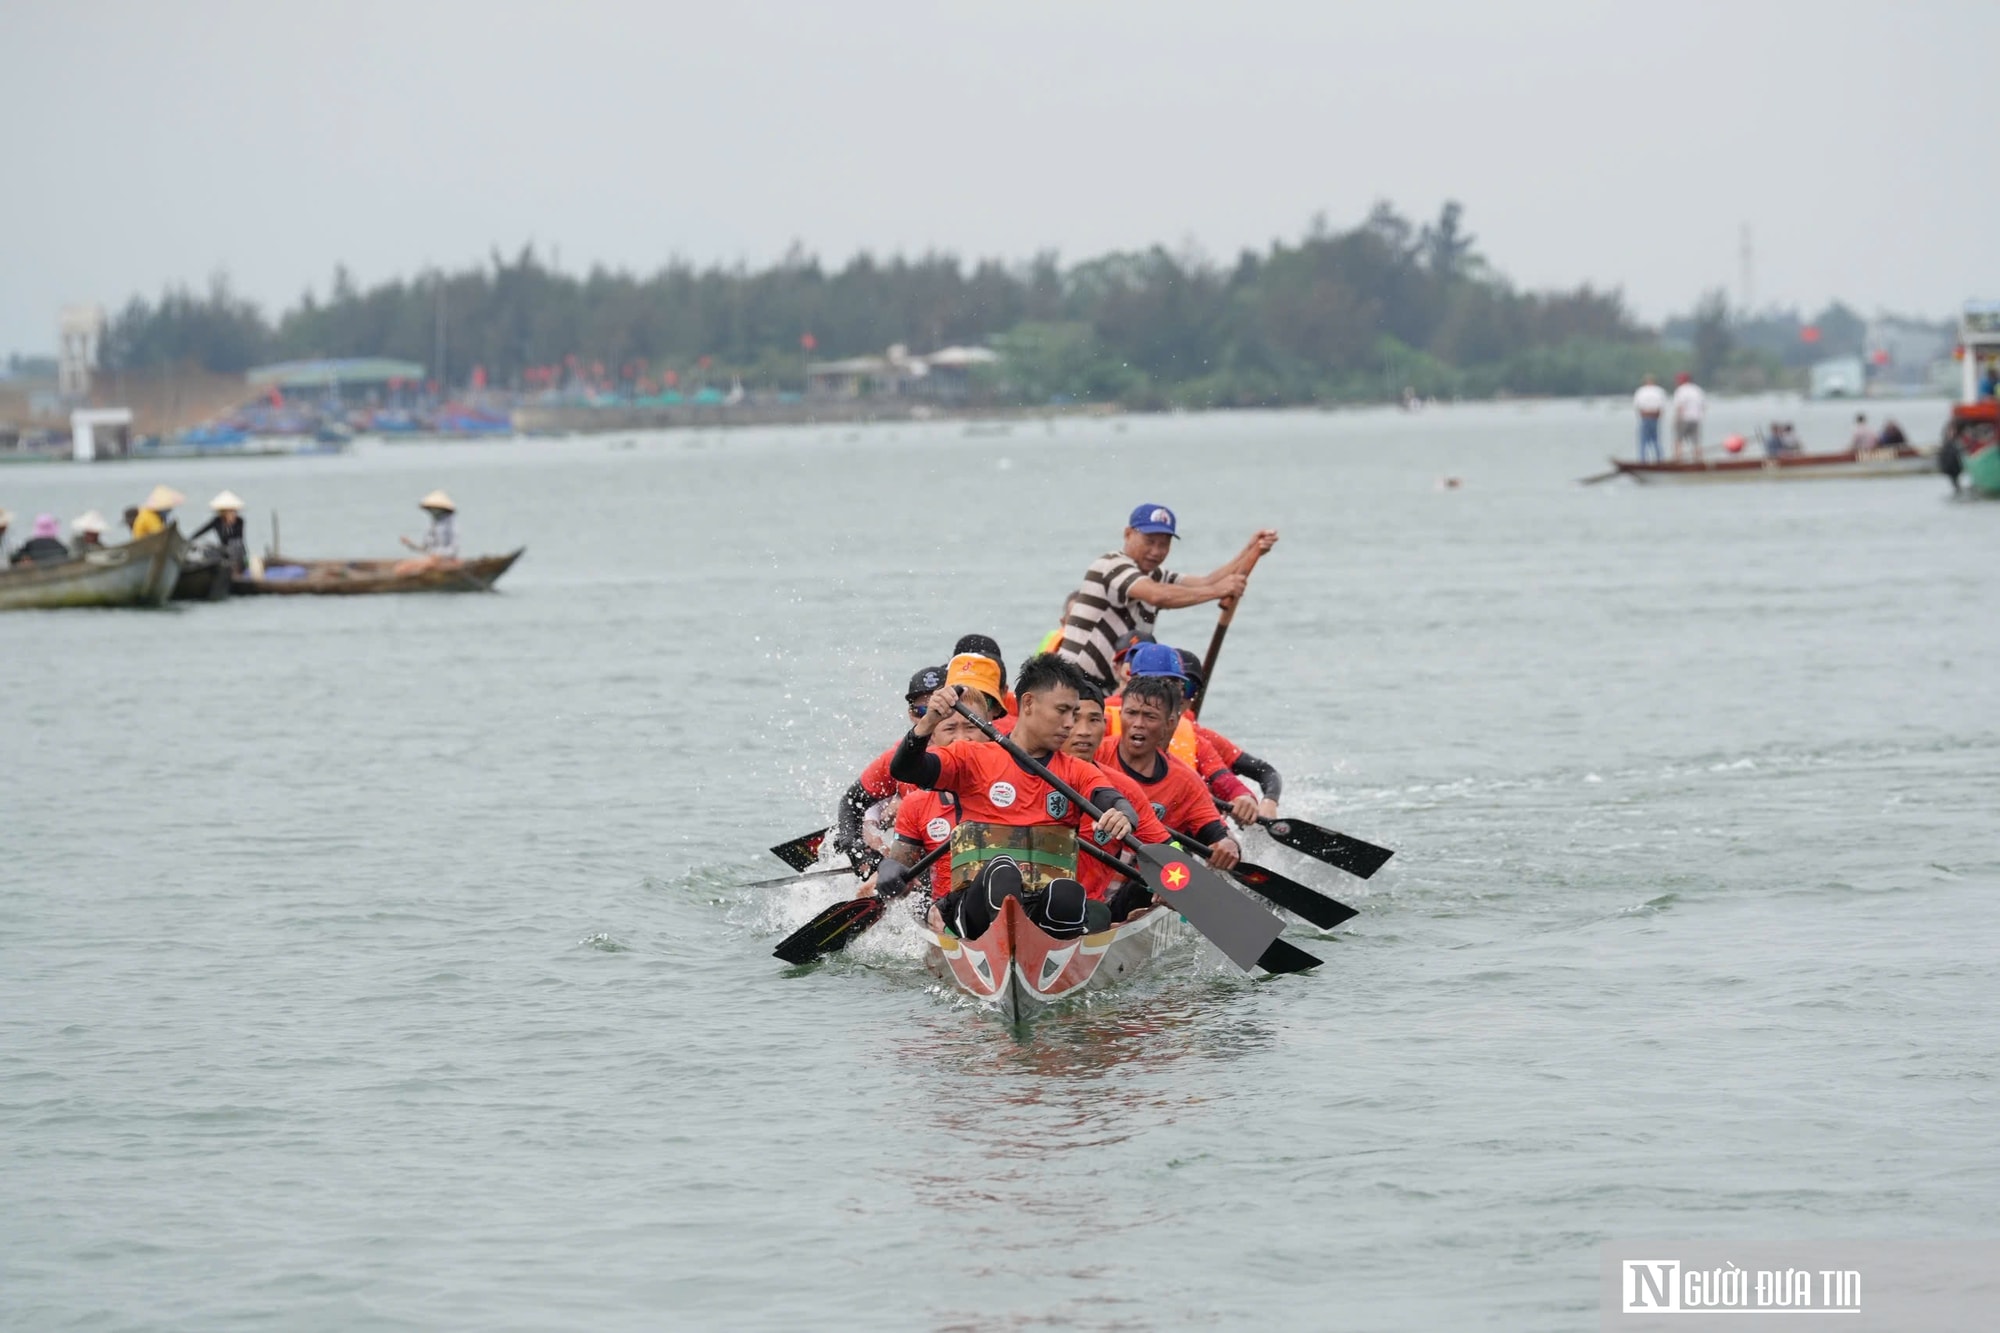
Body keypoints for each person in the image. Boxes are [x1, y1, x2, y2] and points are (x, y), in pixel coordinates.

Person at [889, 653, 1140, 942]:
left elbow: (1112, 799)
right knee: (1003, 873)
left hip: (1040, 913)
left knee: (1068, 893)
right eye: (1062, 711)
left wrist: (1122, 815)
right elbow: (905, 769)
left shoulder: (1076, 771)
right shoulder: (971, 757)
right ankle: (993, 940)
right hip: (976, 908)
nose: (1070, 723)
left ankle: (1044, 953)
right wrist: (928, 722)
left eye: (1074, 712)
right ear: (1029, 703)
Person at [1056, 503, 1277, 689]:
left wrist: (1251, 550)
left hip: (1107, 690)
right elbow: (1157, 595)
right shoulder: (1110, 564)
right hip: (1071, 681)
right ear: (1128, 534)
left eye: (1164, 544)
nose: (1156, 551)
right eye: (1150, 541)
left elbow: (1206, 582)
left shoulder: (1154, 574)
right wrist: (1219, 591)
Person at [1092, 670, 1242, 922]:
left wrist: (1228, 846)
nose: (1138, 723)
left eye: (1149, 716)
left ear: (1170, 723)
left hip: (1137, 889)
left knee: (1159, 870)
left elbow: (1216, 834)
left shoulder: (1185, 782)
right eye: (1131, 713)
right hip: (1087, 876)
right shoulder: (1094, 756)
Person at [1060, 681, 1172, 917]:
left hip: (1090, 909)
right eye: (1075, 718)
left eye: (1094, 720)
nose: (1084, 731)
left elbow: (1167, 849)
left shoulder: (1124, 788)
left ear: (1105, 724)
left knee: (1100, 913)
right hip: (1029, 903)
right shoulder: (1024, 772)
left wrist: (1168, 880)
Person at [832, 663, 949, 866]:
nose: (932, 718)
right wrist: (855, 846)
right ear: (912, 714)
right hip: (920, 853)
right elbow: (851, 803)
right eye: (924, 709)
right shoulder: (896, 757)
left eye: (941, 709)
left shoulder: (980, 750)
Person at [1175, 648, 1285, 820]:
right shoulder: (1119, 719)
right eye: (1170, 685)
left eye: (1187, 687)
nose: (1178, 694)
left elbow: (1265, 772)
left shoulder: (1201, 739)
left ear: (1194, 695)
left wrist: (1261, 801)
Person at [189, 490, 248, 573]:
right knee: (207, 552)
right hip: (223, 550)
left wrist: (229, 525)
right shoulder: (217, 521)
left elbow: (238, 538)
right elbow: (203, 530)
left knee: (234, 553)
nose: (231, 514)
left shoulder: (239, 521)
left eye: (233, 511)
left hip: (236, 550)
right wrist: (191, 538)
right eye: (228, 511)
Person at [401, 490, 459, 559]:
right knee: (403, 567)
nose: (432, 511)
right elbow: (425, 549)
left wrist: (439, 555)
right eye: (431, 508)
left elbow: (454, 549)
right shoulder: (432, 526)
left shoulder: (450, 524)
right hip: (432, 559)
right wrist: (410, 544)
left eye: (435, 508)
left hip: (446, 560)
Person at [1670, 373, 1706, 463]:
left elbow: (1679, 407)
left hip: (1683, 419)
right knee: (1696, 442)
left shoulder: (1680, 390)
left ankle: (1678, 461)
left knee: (1679, 441)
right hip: (1695, 419)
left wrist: (1676, 420)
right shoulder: (1697, 390)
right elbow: (1703, 406)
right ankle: (1698, 460)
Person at [1632, 376, 1668, 463]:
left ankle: (1642, 460)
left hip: (1645, 417)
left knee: (1643, 441)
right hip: (1655, 417)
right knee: (1655, 440)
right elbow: (1662, 406)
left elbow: (1637, 406)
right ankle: (1660, 459)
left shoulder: (1641, 391)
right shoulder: (1659, 391)